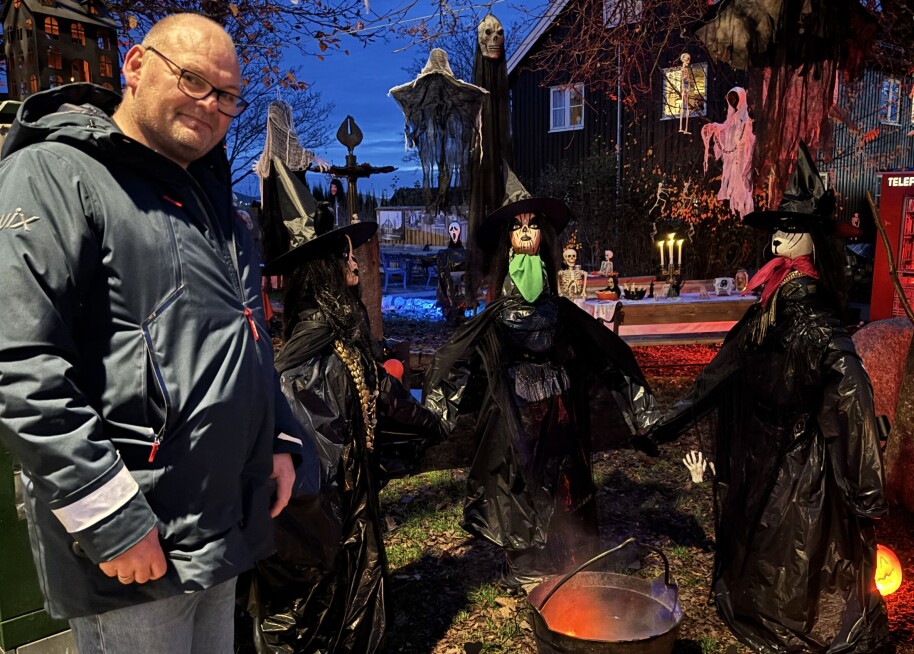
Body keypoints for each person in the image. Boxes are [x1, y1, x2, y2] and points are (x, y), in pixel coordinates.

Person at [0, 14, 299, 653]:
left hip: (221, 523)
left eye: (227, 95)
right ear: (135, 66)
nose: (211, 105)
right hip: (136, 543)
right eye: (193, 80)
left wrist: (277, 436)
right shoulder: (55, 175)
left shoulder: (218, 209)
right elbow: (19, 362)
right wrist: (107, 517)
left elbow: (244, 340)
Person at [652, 143, 890, 653]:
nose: (778, 235)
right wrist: (663, 424)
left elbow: (850, 389)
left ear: (813, 238)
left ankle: (786, 610)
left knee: (792, 536)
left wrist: (866, 486)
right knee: (764, 530)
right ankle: (763, 601)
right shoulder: (772, 303)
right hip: (766, 446)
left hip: (801, 458)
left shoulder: (814, 318)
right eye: (778, 225)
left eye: (791, 227)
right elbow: (724, 369)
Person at [422, 173, 659, 591]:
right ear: (508, 239)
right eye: (518, 227)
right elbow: (459, 360)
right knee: (517, 483)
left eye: (533, 226)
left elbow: (604, 353)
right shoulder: (497, 314)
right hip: (513, 414)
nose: (527, 232)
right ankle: (524, 561)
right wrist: (436, 414)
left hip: (557, 412)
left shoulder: (558, 309)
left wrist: (641, 411)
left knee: (562, 481)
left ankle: (564, 553)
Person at [245, 158, 442, 653]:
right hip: (326, 527)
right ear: (323, 271)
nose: (355, 264)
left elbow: (383, 398)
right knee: (319, 618)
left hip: (348, 516)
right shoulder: (307, 363)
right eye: (345, 255)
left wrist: (432, 420)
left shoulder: (337, 343)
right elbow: (313, 468)